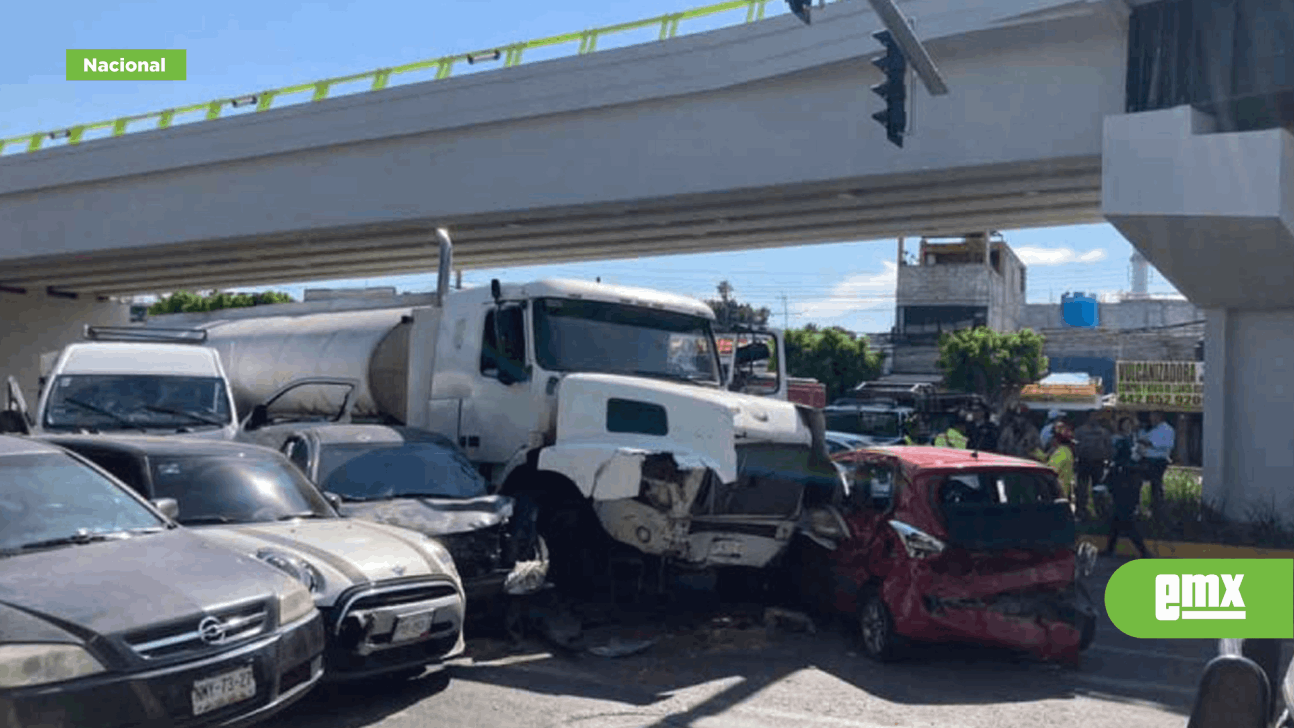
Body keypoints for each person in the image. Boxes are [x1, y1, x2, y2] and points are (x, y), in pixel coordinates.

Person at [1103, 434, 1152, 559]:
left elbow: (1145, 474)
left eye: (1145, 447)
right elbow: (1113, 476)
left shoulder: (1140, 461)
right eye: (1142, 446)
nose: (1144, 449)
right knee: (1118, 522)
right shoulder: (1125, 461)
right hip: (1122, 495)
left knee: (1124, 522)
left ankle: (1143, 552)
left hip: (1129, 496)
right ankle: (1111, 549)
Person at [1073, 413, 1114, 521]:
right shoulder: (1079, 431)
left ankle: (1100, 513)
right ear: (1087, 417)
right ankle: (1081, 512)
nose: (1094, 418)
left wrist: (1109, 461)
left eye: (1096, 416)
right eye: (1092, 416)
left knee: (1099, 489)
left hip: (1098, 463)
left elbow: (1109, 447)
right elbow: (1074, 446)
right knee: (1082, 489)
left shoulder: (1104, 432)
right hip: (1083, 462)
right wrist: (1075, 460)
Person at [1137, 411, 1174, 521]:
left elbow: (1168, 445)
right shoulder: (1150, 428)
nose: (1151, 418)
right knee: (1137, 482)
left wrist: (1151, 444)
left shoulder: (1167, 429)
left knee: (1156, 485)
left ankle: (1158, 512)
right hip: (1145, 459)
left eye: (1154, 416)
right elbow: (1140, 439)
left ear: (1160, 416)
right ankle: (1139, 509)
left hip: (1158, 460)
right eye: (1150, 415)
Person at [1047, 422, 1077, 507]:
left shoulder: (1061, 453)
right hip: (1065, 494)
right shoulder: (1066, 451)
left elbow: (1050, 472)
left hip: (1058, 495)